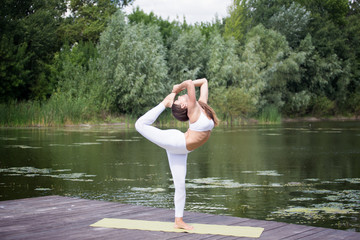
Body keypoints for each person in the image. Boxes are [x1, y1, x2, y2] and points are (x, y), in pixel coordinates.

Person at [135, 78, 219, 230]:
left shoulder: (201, 106)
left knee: (180, 185)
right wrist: (176, 90)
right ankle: (163, 104)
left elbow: (205, 82)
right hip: (175, 142)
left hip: (182, 150)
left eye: (180, 96)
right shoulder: (192, 108)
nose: (181, 96)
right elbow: (189, 83)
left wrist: (178, 89)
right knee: (139, 125)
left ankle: (178, 221)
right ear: (184, 105)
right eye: (180, 98)